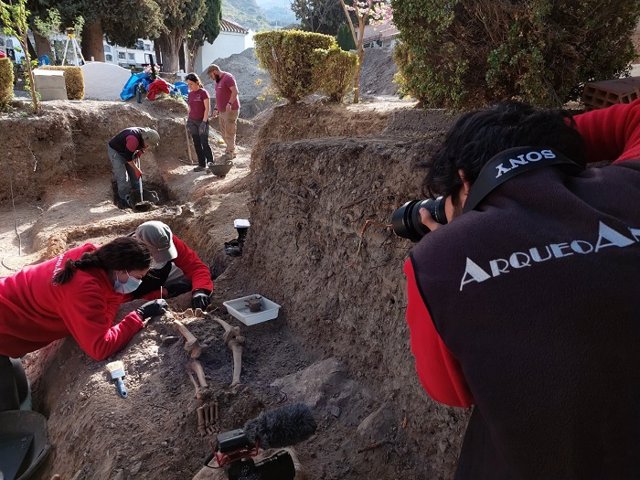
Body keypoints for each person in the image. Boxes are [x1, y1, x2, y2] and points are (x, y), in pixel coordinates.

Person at [404, 100, 640, 479]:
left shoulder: (438, 260)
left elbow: (449, 392)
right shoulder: (632, 183)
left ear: (464, 181)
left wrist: (462, 240)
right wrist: (546, 146)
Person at [0, 237, 168, 411]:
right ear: (120, 271)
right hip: (4, 325)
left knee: (21, 392)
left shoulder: (94, 257)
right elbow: (100, 347)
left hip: (7, 305)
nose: (139, 282)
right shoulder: (83, 289)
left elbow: (109, 300)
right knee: (8, 411)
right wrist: (139, 315)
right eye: (138, 277)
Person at [131, 221, 214, 310]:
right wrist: (163, 292)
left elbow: (196, 267)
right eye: (157, 253)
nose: (162, 257)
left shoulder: (165, 241)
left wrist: (200, 290)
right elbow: (123, 298)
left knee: (198, 277)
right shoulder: (126, 259)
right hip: (137, 290)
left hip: (162, 276)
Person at [108, 127, 160, 208]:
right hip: (116, 151)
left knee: (135, 175)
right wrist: (137, 169)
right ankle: (124, 199)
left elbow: (137, 150)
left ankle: (138, 192)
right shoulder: (133, 139)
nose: (148, 146)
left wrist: (140, 152)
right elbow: (128, 158)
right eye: (148, 144)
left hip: (127, 150)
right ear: (145, 139)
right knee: (123, 177)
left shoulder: (145, 134)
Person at [205, 64, 240, 160]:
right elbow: (218, 96)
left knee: (229, 131)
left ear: (215, 71)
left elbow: (235, 91)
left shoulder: (228, 77)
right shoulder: (218, 81)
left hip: (231, 109)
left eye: (211, 75)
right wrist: (216, 108)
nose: (211, 78)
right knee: (224, 132)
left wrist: (230, 103)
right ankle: (231, 149)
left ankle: (230, 152)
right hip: (222, 111)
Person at [185, 73, 214, 172]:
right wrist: (188, 120)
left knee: (204, 143)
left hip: (202, 121)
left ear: (197, 82)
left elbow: (207, 109)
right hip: (192, 122)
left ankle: (211, 164)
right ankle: (202, 164)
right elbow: (190, 108)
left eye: (191, 84)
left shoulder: (203, 93)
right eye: (188, 85)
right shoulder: (190, 94)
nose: (189, 87)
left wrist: (204, 122)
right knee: (196, 143)